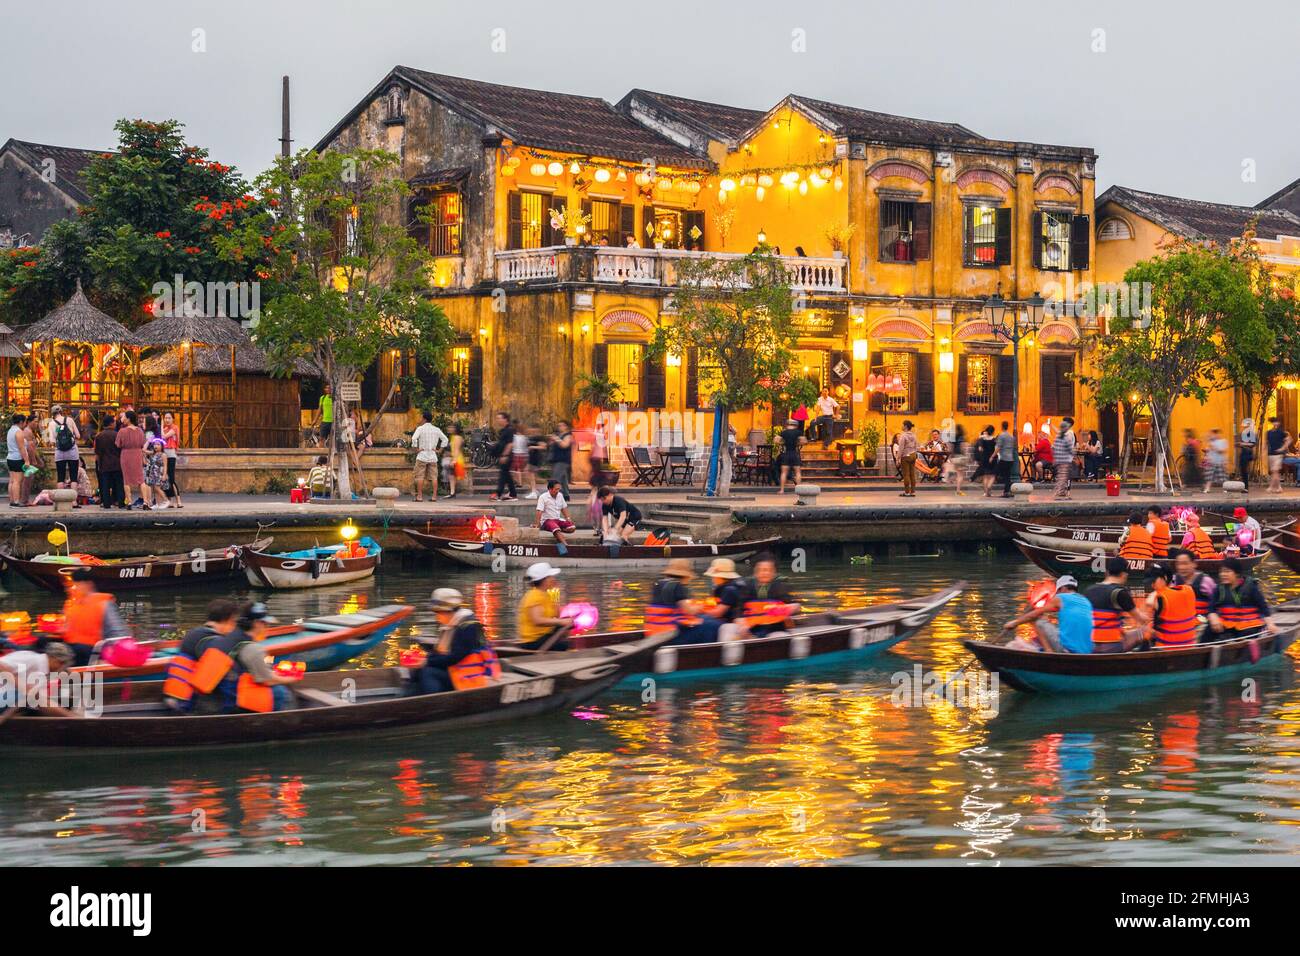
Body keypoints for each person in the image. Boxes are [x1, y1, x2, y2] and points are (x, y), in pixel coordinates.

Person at [413, 589, 501, 694]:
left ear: (449, 611)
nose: (436, 616)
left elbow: (455, 657)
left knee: (428, 672)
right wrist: (424, 659)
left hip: (470, 677)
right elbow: (441, 653)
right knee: (419, 670)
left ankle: (434, 704)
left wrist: (427, 662)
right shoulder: (450, 625)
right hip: (455, 670)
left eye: (438, 612)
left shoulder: (468, 627)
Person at [161, 598, 241, 712]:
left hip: (173, 697)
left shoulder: (193, 633)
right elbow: (229, 678)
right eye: (234, 622)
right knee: (231, 671)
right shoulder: (216, 643)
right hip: (191, 705)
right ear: (227, 620)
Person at [1001, 575, 1093, 653]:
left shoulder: (1061, 597)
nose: (1057, 594)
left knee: (1037, 620)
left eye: (1058, 591)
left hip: (1068, 649)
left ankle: (1049, 652)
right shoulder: (1085, 601)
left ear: (1063, 588)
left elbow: (1034, 615)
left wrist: (1014, 623)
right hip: (1087, 650)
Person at [62, 568, 129, 667]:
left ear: (88, 584)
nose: (72, 589)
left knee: (77, 649)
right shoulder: (71, 605)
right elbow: (66, 630)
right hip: (74, 649)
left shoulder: (104, 603)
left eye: (76, 585)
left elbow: (118, 633)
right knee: (44, 642)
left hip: (96, 651)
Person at [0, 641, 78, 725]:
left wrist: (71, 717)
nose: (62, 668)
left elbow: (44, 703)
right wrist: (21, 686)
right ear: (55, 660)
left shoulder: (44, 675)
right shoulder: (31, 658)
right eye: (62, 664)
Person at [645, 559, 718, 645]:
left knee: (704, 621)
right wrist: (702, 606)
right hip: (670, 636)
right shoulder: (678, 586)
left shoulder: (657, 584)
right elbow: (690, 611)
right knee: (711, 625)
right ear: (685, 576)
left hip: (652, 633)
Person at [1084, 557, 1146, 652]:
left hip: (1089, 644)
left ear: (1107, 572)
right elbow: (1141, 619)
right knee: (1146, 630)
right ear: (1124, 574)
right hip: (1111, 646)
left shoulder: (1089, 590)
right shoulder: (1120, 592)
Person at [1208, 557, 1276, 638]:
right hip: (1228, 624)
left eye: (1227, 571)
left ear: (1236, 573)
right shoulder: (1219, 589)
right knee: (1208, 630)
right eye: (1221, 572)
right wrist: (1213, 617)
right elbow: (1211, 608)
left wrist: (1270, 624)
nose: (1223, 574)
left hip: (1249, 625)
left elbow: (1263, 607)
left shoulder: (1251, 587)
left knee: (1245, 635)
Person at [740, 552, 800, 637]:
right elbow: (738, 610)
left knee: (780, 637)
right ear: (755, 572)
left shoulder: (782, 587)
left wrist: (792, 607)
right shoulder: (746, 588)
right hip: (751, 629)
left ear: (774, 572)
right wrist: (742, 624)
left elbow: (797, 606)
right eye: (761, 570)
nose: (765, 573)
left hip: (775, 628)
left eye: (769, 570)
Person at [517, 562, 572, 651]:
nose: (554, 579)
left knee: (566, 626)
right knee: (564, 645)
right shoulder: (534, 595)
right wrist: (561, 622)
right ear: (544, 580)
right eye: (551, 577)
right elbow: (537, 620)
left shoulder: (547, 595)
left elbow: (557, 615)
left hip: (544, 637)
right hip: (533, 642)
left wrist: (557, 596)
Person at [1143, 564, 1200, 649]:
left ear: (1165, 578)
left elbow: (1150, 631)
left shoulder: (1155, 598)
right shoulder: (1189, 589)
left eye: (1154, 581)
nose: (1152, 585)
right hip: (1190, 646)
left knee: (1143, 631)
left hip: (1165, 650)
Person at [702, 557, 748, 640]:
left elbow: (718, 613)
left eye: (714, 576)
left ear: (720, 577)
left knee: (703, 622)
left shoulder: (729, 590)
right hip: (727, 618)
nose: (712, 578)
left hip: (732, 621)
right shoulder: (728, 586)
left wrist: (700, 609)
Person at [1172, 548, 1218, 633]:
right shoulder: (1174, 581)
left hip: (1202, 624)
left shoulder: (1206, 581)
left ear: (1194, 564)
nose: (1181, 567)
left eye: (1185, 563)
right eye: (1178, 564)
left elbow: (1217, 603)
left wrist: (1213, 616)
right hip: (1180, 623)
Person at [410, 410, 448, 502]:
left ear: (424, 419)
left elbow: (414, 438)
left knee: (420, 476)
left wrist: (416, 449)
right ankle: (434, 497)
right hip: (432, 456)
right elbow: (445, 440)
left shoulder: (420, 429)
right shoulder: (436, 429)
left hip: (422, 456)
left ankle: (419, 496)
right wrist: (439, 450)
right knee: (434, 477)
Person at [115, 410, 146, 509]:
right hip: (137, 454)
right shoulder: (140, 430)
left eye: (124, 417)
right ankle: (145, 502)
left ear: (128, 419)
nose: (122, 419)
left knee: (126, 479)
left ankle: (129, 502)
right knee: (141, 479)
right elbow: (142, 443)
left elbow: (118, 444)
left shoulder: (122, 431)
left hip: (126, 454)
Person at [91, 414, 123, 509]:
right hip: (117, 463)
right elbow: (120, 449)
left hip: (104, 464)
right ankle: (120, 502)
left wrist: (98, 464)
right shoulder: (117, 435)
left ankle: (106, 503)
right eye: (114, 422)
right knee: (118, 484)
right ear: (112, 423)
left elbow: (97, 453)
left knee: (105, 484)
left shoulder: (99, 436)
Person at [48, 404, 81, 493]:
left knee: (60, 477)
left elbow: (52, 442)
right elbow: (78, 435)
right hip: (72, 451)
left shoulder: (51, 424)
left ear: (52, 413)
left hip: (59, 452)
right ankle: (74, 502)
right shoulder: (70, 420)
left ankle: (61, 501)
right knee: (74, 477)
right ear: (61, 412)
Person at [535, 479, 576, 547]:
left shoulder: (560, 495)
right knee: (556, 530)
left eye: (559, 489)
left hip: (558, 519)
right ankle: (566, 546)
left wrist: (568, 518)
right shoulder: (543, 497)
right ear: (550, 489)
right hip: (547, 520)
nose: (558, 491)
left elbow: (564, 508)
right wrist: (537, 524)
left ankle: (557, 531)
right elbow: (539, 511)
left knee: (572, 527)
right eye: (556, 489)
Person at [489, 411, 517, 501]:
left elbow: (510, 444)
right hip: (504, 455)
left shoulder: (509, 430)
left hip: (507, 455)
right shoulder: (504, 430)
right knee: (506, 475)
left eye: (499, 418)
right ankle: (513, 494)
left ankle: (498, 493)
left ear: (505, 419)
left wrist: (505, 455)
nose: (497, 420)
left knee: (503, 474)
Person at [161, 411, 183, 508]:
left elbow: (163, 437)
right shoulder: (164, 428)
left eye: (169, 418)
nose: (167, 420)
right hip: (163, 454)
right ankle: (169, 501)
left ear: (173, 419)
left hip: (171, 453)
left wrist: (161, 426)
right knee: (165, 478)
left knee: (171, 478)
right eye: (165, 418)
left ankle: (178, 500)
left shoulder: (174, 427)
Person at [1050, 420, 1075, 500]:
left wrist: (1054, 458)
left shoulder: (1057, 437)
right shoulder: (1066, 438)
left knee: (1060, 476)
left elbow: (1054, 448)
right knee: (1063, 477)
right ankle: (1059, 491)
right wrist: (1074, 455)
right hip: (1065, 460)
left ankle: (1061, 491)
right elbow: (1070, 449)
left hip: (1058, 460)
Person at [894, 419, 919, 498]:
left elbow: (901, 448)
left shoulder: (903, 436)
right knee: (912, 474)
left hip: (906, 456)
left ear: (905, 426)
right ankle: (913, 491)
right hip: (913, 455)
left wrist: (898, 459)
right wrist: (915, 453)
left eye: (902, 425)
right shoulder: (914, 435)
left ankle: (907, 492)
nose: (901, 426)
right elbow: (916, 446)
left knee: (906, 475)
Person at [778, 417, 804, 493]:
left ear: (787, 424)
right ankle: (798, 490)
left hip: (786, 453)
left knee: (784, 473)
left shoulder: (784, 432)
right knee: (798, 472)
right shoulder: (798, 432)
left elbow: (776, 440)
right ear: (795, 425)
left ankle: (782, 490)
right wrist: (797, 443)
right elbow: (804, 441)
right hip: (794, 453)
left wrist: (783, 443)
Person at [549, 420, 573, 499]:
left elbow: (565, 445)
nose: (560, 427)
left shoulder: (568, 435)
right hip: (557, 459)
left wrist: (556, 439)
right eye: (559, 426)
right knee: (563, 478)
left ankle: (554, 495)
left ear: (566, 426)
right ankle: (566, 495)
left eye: (562, 425)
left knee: (556, 478)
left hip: (563, 460)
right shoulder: (559, 435)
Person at [6, 413, 26, 508]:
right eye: (25, 422)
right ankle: (16, 502)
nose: (25, 424)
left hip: (10, 457)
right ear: (21, 422)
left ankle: (12, 500)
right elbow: (21, 447)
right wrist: (27, 460)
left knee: (12, 481)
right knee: (17, 481)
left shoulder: (10, 430)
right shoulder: (18, 432)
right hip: (17, 458)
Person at [972, 425, 997, 497]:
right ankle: (989, 487)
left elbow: (980, 449)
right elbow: (996, 448)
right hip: (992, 458)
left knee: (985, 476)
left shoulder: (981, 439)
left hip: (984, 458)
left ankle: (986, 492)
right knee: (992, 475)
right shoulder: (994, 439)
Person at [142, 438, 167, 509]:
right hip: (153, 473)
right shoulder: (153, 453)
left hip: (160, 473)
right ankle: (157, 504)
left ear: (162, 446)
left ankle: (166, 500)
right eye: (155, 444)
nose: (156, 446)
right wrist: (147, 441)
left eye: (158, 444)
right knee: (154, 489)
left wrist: (164, 475)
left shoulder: (163, 455)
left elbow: (165, 466)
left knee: (157, 488)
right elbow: (143, 450)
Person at [443, 422, 466, 498]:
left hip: (456, 459)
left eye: (451, 427)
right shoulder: (455, 437)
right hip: (456, 458)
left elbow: (456, 450)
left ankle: (452, 492)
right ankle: (452, 492)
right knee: (452, 476)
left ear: (455, 429)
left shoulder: (457, 438)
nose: (449, 429)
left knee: (452, 476)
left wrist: (453, 460)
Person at [994, 420, 1016, 498]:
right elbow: (1013, 447)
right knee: (1007, 476)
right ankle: (1007, 491)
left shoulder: (1001, 435)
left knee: (995, 472)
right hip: (1010, 459)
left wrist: (993, 456)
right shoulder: (1011, 436)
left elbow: (998, 447)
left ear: (1002, 426)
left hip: (1004, 458)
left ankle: (1007, 490)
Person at [1203, 428, 1228, 493]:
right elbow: (1208, 451)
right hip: (1212, 462)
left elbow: (1222, 451)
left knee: (1222, 476)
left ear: (1218, 434)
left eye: (1214, 434)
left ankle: (1225, 489)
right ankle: (1207, 488)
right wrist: (1207, 457)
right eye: (1212, 434)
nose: (1213, 435)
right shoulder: (1211, 442)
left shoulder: (1223, 441)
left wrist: (1213, 447)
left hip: (1220, 462)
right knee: (1209, 476)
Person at [1266, 416, 1287, 493]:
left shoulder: (1281, 432)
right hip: (1270, 454)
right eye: (1274, 422)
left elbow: (1289, 439)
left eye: (1277, 422)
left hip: (1278, 454)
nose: (1276, 423)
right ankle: (1279, 487)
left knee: (1275, 471)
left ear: (1279, 423)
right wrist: (1264, 452)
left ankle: (1271, 487)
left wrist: (1283, 448)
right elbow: (1266, 443)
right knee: (1275, 472)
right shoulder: (1268, 432)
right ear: (1272, 423)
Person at [1238, 418, 1257, 487]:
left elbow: (1252, 444)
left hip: (1247, 453)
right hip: (1244, 452)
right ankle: (1245, 486)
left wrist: (1243, 444)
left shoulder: (1251, 433)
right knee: (1243, 470)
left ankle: (1245, 486)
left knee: (1244, 470)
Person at [313, 383, 334, 447]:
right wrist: (315, 420)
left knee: (332, 439)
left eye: (329, 388)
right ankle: (320, 455)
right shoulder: (322, 398)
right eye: (326, 388)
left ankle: (331, 455)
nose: (328, 389)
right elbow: (319, 410)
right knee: (321, 438)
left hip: (333, 422)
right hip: (325, 421)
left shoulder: (335, 398)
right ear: (324, 389)